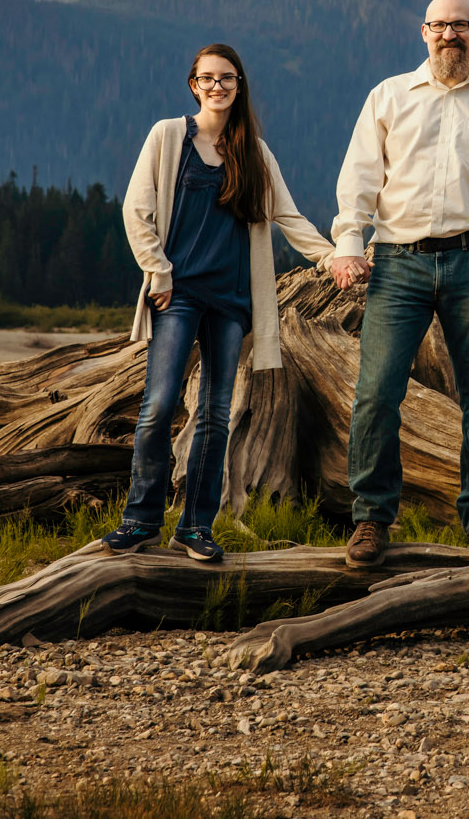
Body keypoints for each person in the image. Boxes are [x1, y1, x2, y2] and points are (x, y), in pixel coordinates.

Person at [330, 0, 469, 569]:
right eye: (440, 25)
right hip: (396, 262)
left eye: (461, 26)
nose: (450, 35)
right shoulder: (390, 96)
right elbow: (358, 179)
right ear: (424, 31)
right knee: (376, 392)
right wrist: (349, 245)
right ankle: (372, 518)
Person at [102, 43, 336, 561]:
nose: (217, 87)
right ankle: (140, 521)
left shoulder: (254, 151)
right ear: (193, 84)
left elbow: (289, 218)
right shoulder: (169, 136)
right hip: (178, 294)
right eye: (207, 78)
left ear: (238, 85)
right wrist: (157, 271)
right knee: (159, 405)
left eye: (226, 78)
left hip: (231, 302)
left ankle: (195, 528)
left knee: (215, 415)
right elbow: (136, 210)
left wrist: (333, 259)